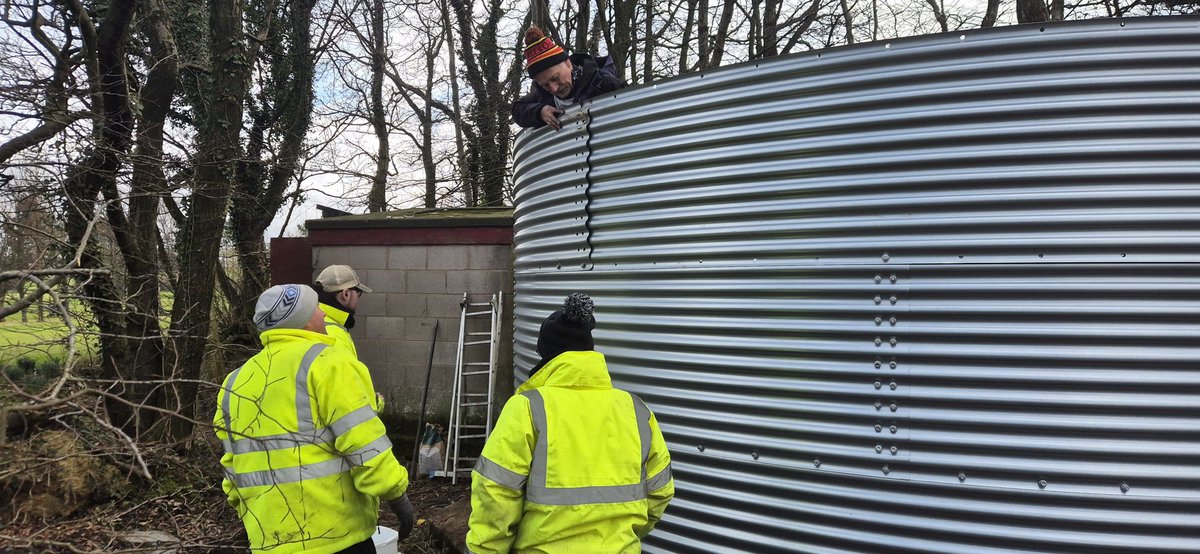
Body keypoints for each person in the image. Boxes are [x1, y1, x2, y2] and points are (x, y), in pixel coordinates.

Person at [466, 293, 674, 553]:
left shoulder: (528, 408)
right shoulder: (637, 411)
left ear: (547, 355)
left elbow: (496, 493)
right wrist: (624, 536)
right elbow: (661, 491)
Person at [214, 284, 414, 554]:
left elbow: (231, 466)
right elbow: (365, 445)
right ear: (305, 320)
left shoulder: (234, 382)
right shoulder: (329, 364)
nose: (323, 315)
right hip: (336, 536)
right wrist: (397, 497)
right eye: (317, 309)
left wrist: (254, 518)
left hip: (270, 539)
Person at [512, 26, 626, 130]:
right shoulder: (542, 95)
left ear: (567, 63)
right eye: (545, 85)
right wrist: (540, 112)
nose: (554, 89)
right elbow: (517, 110)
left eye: (555, 78)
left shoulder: (602, 83)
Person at [314, 264, 384, 412]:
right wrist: (375, 402)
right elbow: (345, 393)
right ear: (345, 294)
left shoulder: (312, 322)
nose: (358, 299)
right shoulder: (333, 334)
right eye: (357, 293)